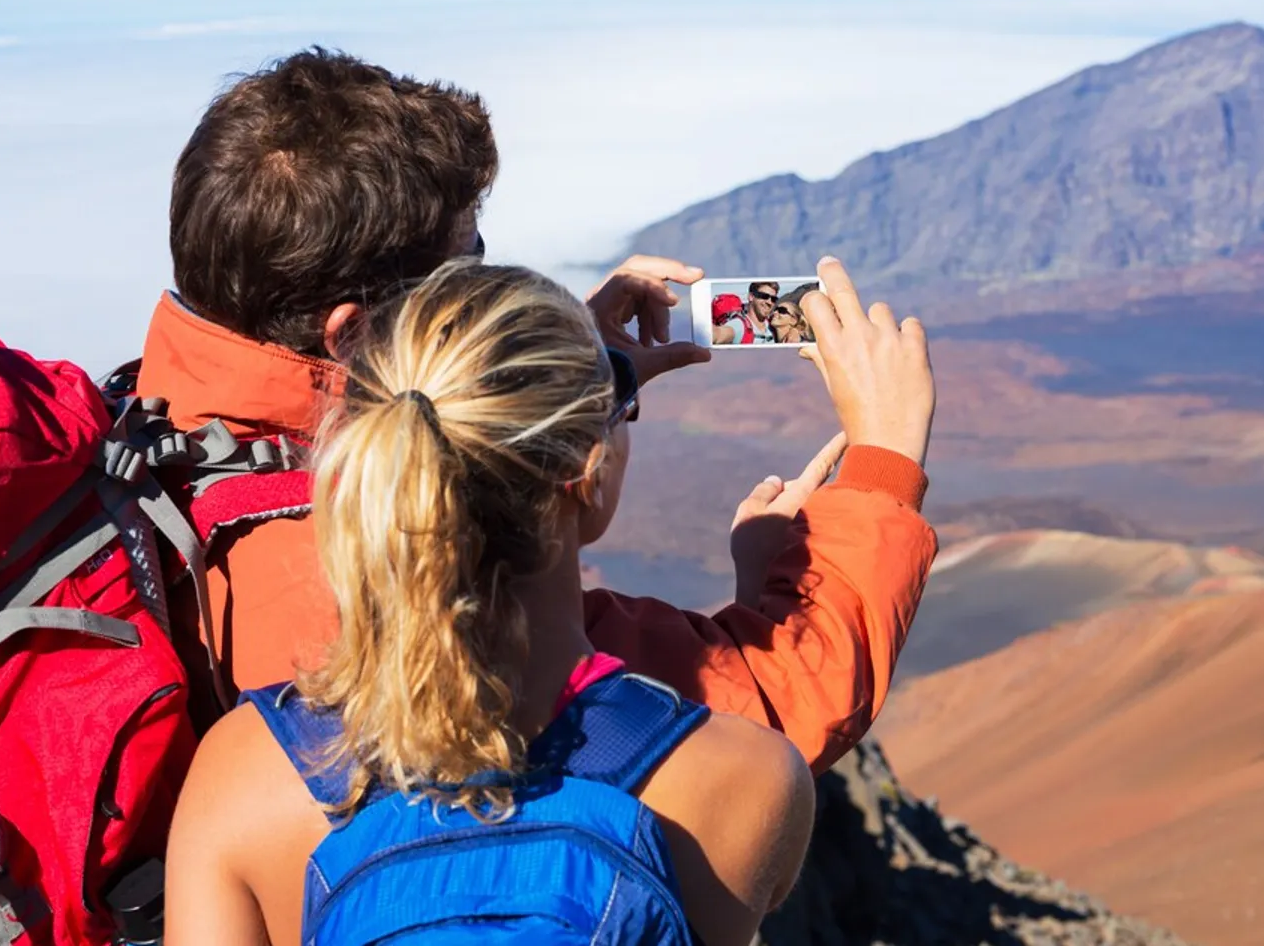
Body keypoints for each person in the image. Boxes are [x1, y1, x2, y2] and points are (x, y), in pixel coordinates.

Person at [141, 47, 938, 772]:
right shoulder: (393, 559)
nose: (487, 276)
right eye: (469, 262)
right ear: (356, 336)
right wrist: (884, 459)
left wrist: (555, 376)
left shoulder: (151, 435)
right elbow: (764, 710)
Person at [165, 262, 827, 945]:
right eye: (619, 406)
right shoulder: (744, 780)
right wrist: (775, 579)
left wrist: (565, 389)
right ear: (591, 472)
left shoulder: (241, 778)